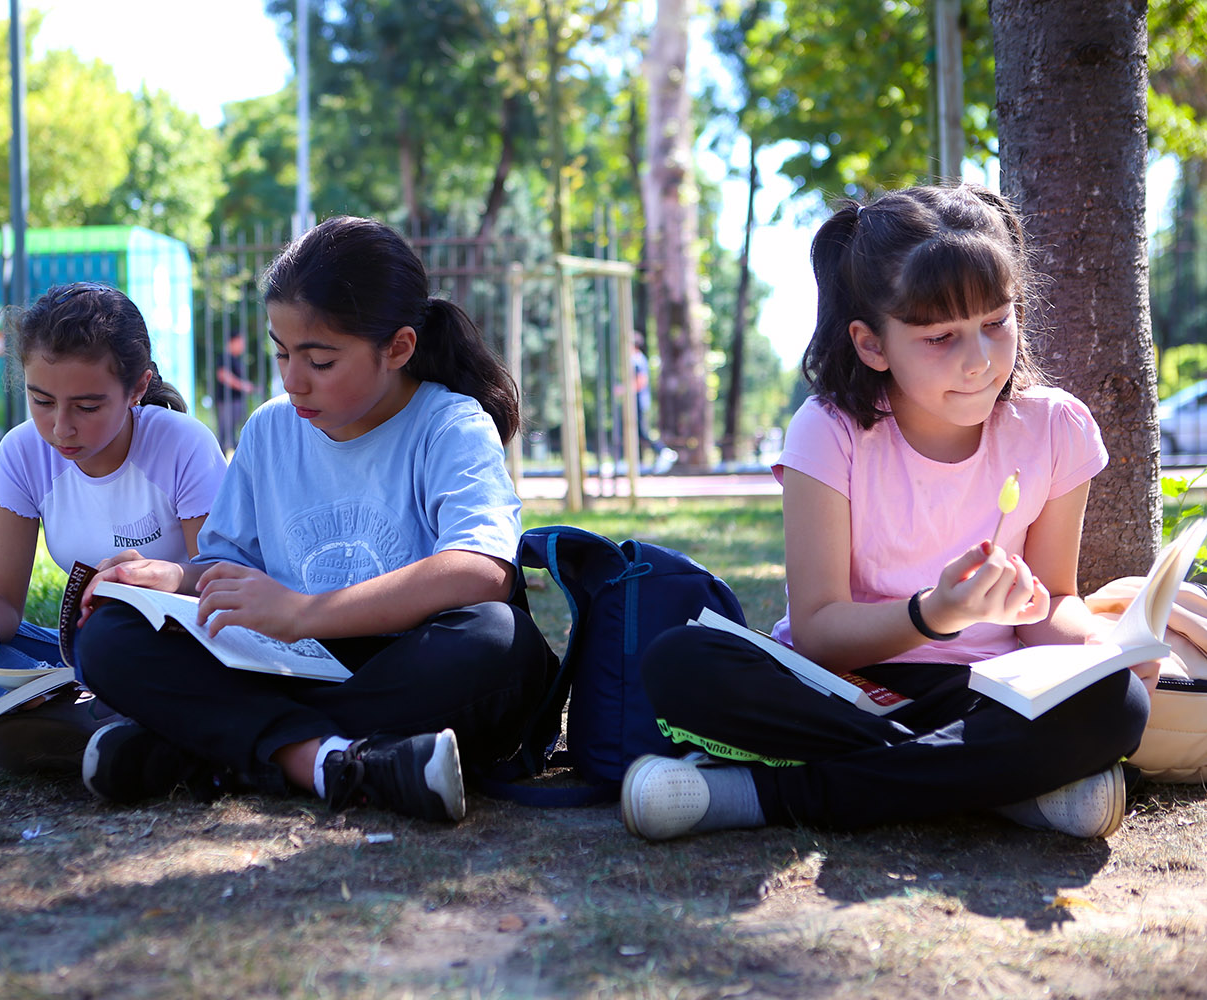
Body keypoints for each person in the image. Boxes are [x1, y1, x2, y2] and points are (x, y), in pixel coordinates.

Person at [621, 184, 1153, 842]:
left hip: (984, 690)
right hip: (841, 686)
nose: (980, 360)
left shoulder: (1054, 428)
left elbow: (1054, 599)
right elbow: (817, 631)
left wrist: (1098, 650)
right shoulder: (830, 431)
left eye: (996, 322)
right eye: (940, 337)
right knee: (681, 661)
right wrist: (937, 614)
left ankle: (769, 795)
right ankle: (1001, 788)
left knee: (1116, 703)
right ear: (873, 345)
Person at [71, 216, 554, 823]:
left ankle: (205, 748)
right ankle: (328, 760)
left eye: (320, 360)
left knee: (501, 644)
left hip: (400, 664)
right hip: (284, 667)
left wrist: (304, 613)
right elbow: (228, 566)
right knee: (111, 636)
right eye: (281, 353)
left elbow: (482, 572)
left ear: (398, 348)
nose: (293, 380)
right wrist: (172, 579)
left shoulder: (450, 424)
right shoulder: (271, 427)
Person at [0, 281, 229, 771]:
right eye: (41, 401)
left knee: (129, 654)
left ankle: (20, 711)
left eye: (87, 406)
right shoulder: (21, 452)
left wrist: (164, 575)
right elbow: (2, 601)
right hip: (77, 658)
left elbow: (220, 580)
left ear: (137, 388)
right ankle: (65, 704)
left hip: (172, 651)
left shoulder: (183, 445)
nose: (61, 428)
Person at [629, 331, 677, 474]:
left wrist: (624, 390)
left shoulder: (637, 360)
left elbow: (641, 381)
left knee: (641, 432)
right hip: (638, 401)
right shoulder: (638, 359)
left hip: (638, 402)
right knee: (637, 433)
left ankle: (663, 451)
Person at [214, 329, 252, 451]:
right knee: (225, 434)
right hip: (227, 401)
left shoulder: (236, 359)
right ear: (233, 341)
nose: (243, 345)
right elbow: (223, 375)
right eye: (241, 342)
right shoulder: (225, 357)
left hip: (235, 400)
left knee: (234, 433)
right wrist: (242, 385)